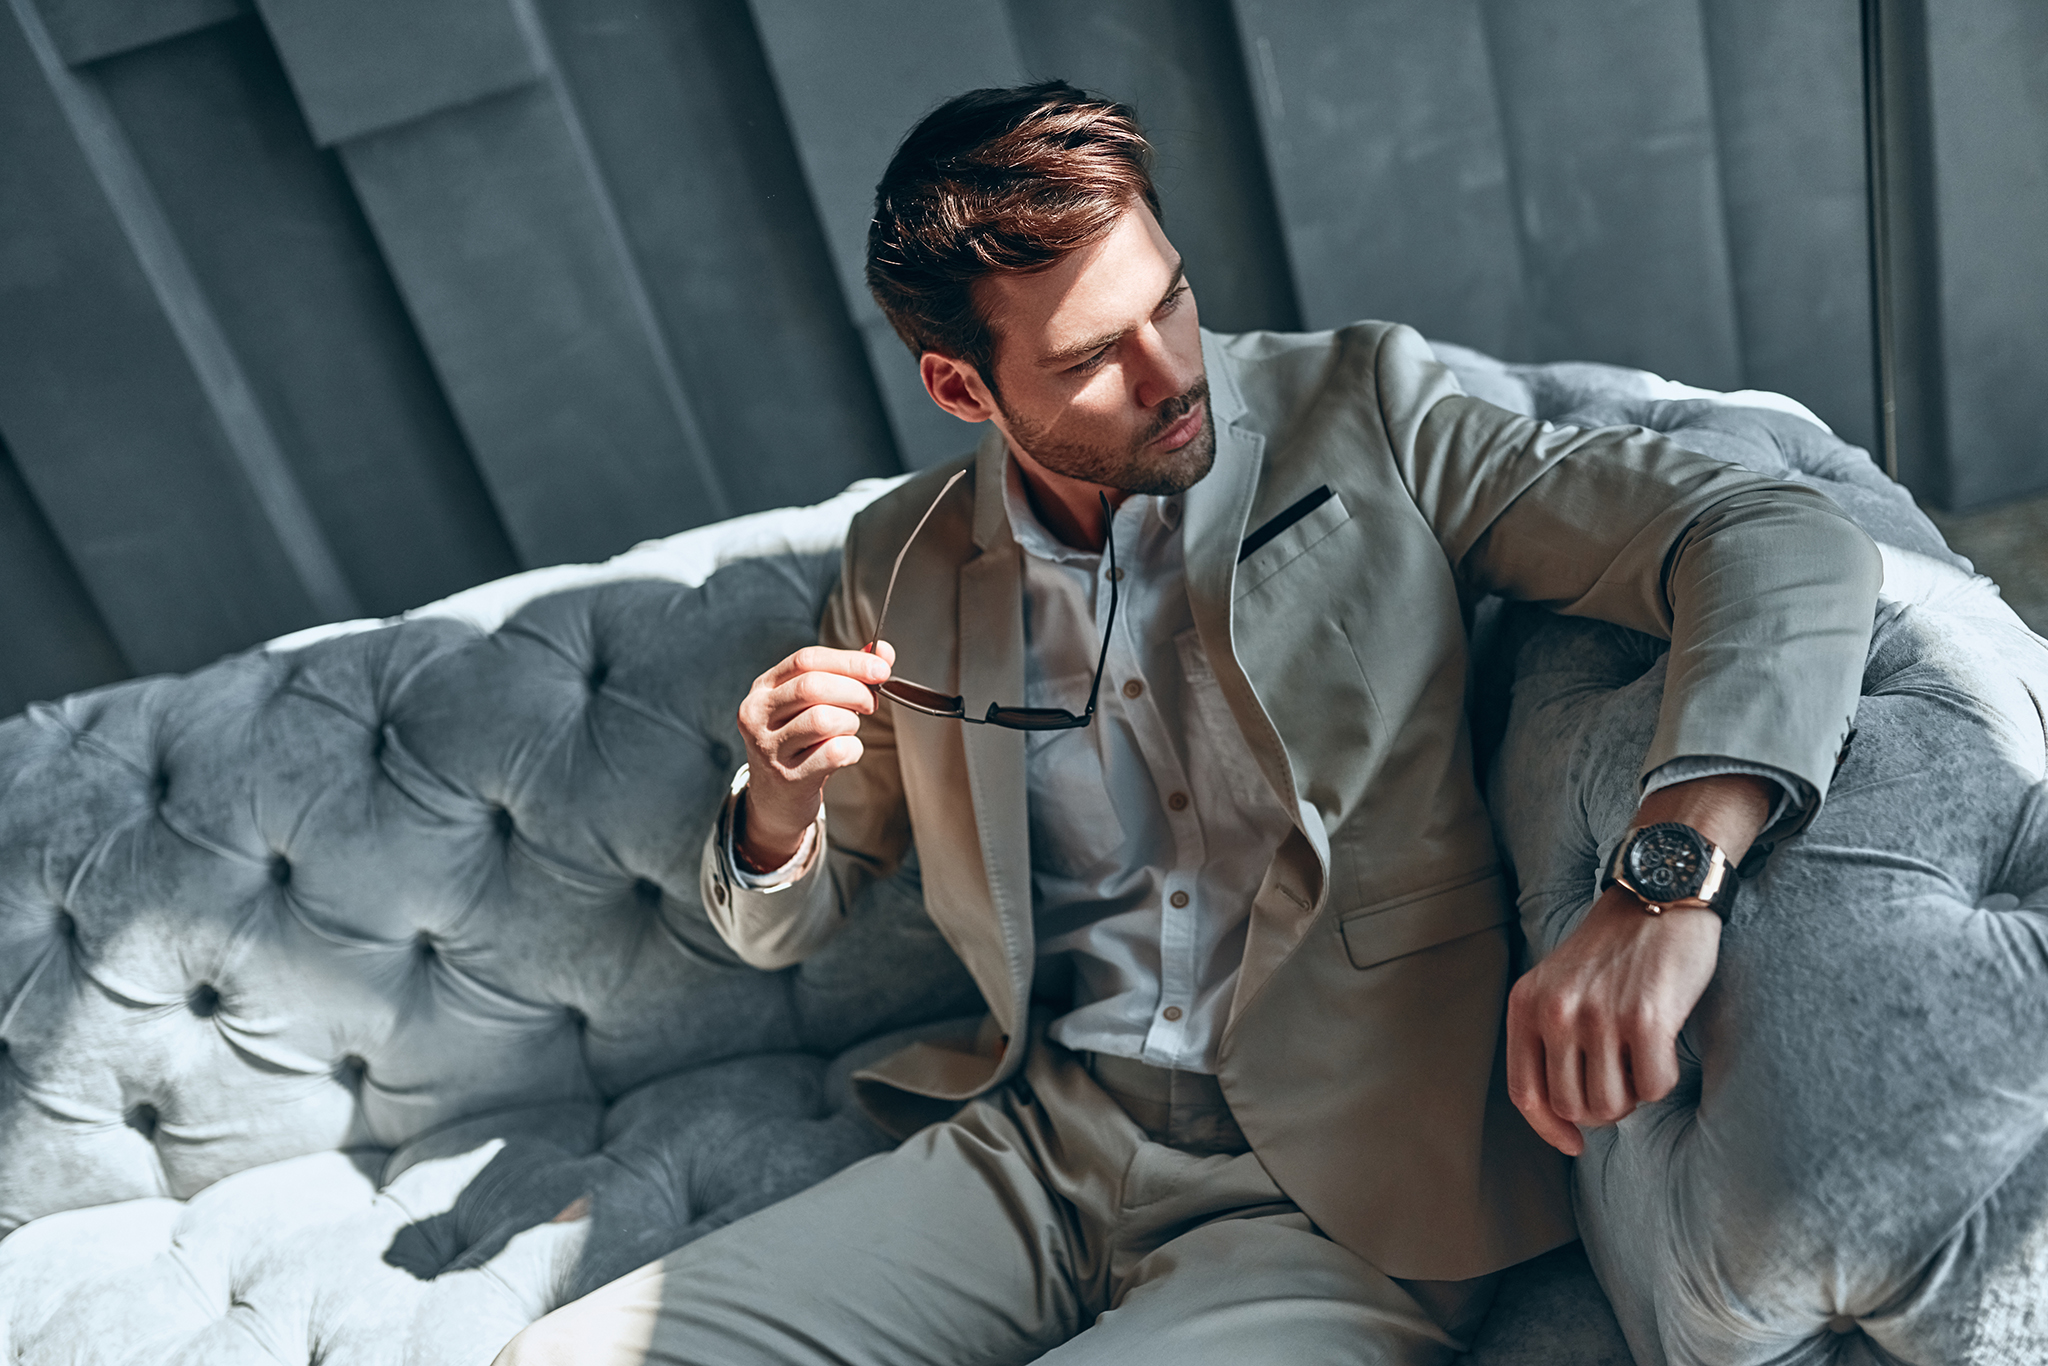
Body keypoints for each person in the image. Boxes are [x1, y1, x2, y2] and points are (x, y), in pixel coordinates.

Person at [498, 82, 1881, 1365]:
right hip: (1034, 1149)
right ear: (963, 388)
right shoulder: (899, 559)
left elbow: (1766, 530)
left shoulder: (1365, 410)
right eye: (1098, 354)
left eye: (1172, 298)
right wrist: (775, 807)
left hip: (1341, 1192)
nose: (1173, 371)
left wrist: (1666, 883)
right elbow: (782, 922)